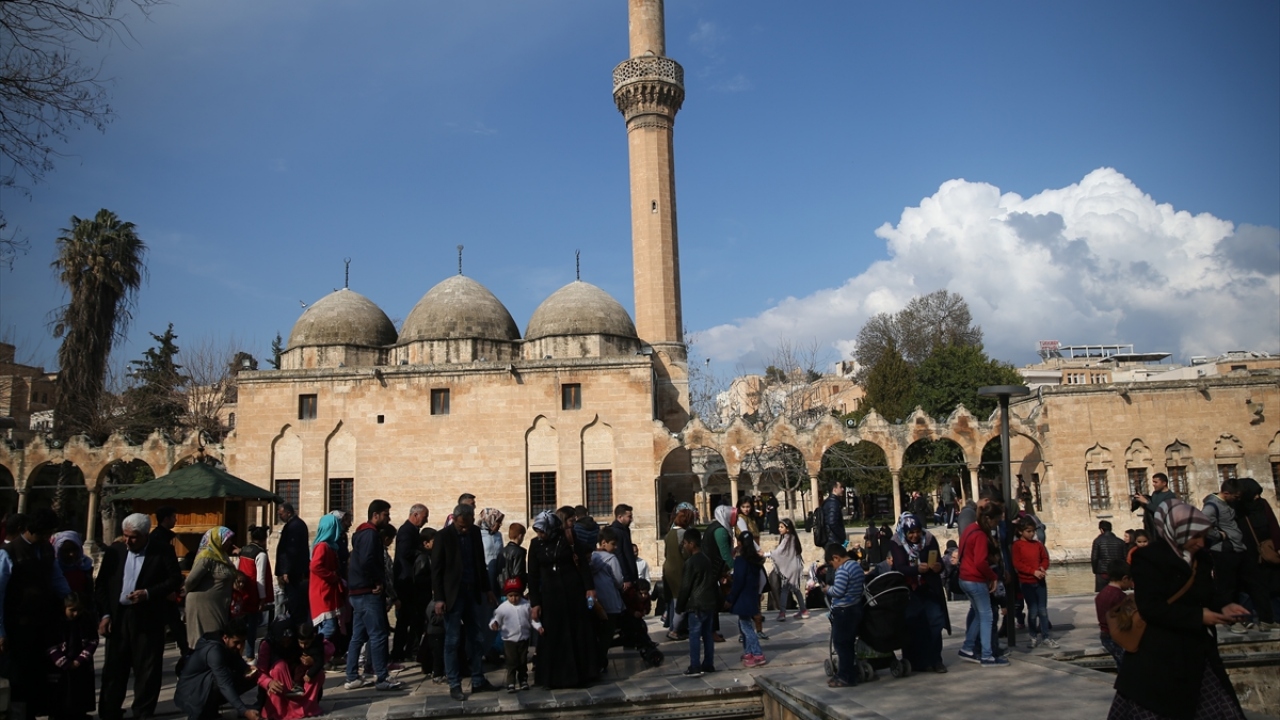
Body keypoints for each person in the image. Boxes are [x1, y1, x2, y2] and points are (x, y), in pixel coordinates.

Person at [1109, 498, 1248, 719]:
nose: (1201, 542)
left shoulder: (1201, 558)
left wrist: (1225, 606)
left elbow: (1207, 593)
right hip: (1159, 657)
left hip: (1196, 653)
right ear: (1179, 531)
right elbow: (1151, 608)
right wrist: (1198, 616)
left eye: (1204, 535)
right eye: (1196, 536)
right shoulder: (1149, 557)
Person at [96, 513, 184, 720]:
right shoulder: (115, 552)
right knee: (114, 669)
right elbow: (101, 585)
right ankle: (110, 711)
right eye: (125, 536)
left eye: (133, 537)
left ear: (145, 535)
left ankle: (143, 712)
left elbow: (174, 579)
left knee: (147, 669)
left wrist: (148, 593)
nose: (128, 541)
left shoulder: (162, 551)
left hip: (147, 618)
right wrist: (105, 614)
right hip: (119, 618)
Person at [0, 508, 69, 717]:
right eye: (44, 533)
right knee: (18, 676)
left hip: (43, 624)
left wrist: (68, 599)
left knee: (39, 676)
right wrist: (0, 631)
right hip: (18, 626)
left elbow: (57, 579)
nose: (47, 537)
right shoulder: (9, 553)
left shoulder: (46, 550)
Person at [527, 508, 598, 689]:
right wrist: (535, 603)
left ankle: (580, 675)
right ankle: (552, 678)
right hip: (550, 598)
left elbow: (582, 564)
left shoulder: (568, 538)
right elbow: (533, 576)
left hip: (573, 594)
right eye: (538, 531)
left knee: (576, 633)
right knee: (554, 636)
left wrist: (589, 588)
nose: (540, 534)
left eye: (543, 530)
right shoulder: (535, 545)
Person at [431, 503, 496, 700]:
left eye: (467, 525)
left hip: (471, 591)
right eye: (461, 526)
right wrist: (439, 598)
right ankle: (454, 683)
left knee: (476, 636)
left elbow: (480, 563)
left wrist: (487, 589)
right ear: (455, 521)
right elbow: (437, 570)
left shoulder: (475, 533)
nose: (465, 529)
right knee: (452, 639)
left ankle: (478, 678)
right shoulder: (443, 536)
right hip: (453, 594)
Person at [345, 499, 403, 691]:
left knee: (358, 636)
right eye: (386, 514)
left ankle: (352, 676)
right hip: (367, 592)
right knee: (378, 635)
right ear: (376, 515)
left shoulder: (361, 534)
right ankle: (382, 678)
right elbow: (369, 561)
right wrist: (377, 582)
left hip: (357, 592)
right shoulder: (370, 534)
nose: (389, 518)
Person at [1203, 478, 1275, 633]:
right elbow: (1204, 524)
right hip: (1224, 551)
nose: (1237, 500)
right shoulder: (1212, 506)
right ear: (1227, 493)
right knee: (1227, 587)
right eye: (1235, 497)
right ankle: (1232, 621)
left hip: (1238, 549)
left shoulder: (1228, 504)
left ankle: (1265, 619)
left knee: (1253, 583)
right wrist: (1220, 536)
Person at [888, 513, 948, 672]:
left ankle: (936, 659)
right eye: (911, 532)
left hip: (928, 586)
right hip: (908, 589)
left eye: (917, 531)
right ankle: (916, 661)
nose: (915, 536)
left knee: (935, 620)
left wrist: (937, 567)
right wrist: (916, 569)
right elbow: (900, 566)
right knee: (913, 622)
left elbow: (939, 560)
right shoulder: (897, 541)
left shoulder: (928, 539)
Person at [174, 619, 260, 720]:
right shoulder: (214, 651)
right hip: (190, 696)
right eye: (236, 642)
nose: (240, 646)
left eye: (242, 642)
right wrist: (244, 711)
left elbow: (237, 662)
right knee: (220, 679)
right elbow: (224, 684)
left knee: (255, 675)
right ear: (225, 638)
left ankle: (211, 709)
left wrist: (248, 669)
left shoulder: (227, 645)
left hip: (201, 690)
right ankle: (205, 711)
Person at [957, 505, 1009, 667]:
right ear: (988, 519)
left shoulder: (970, 528)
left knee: (979, 614)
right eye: (996, 521)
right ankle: (987, 655)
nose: (997, 524)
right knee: (987, 615)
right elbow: (980, 561)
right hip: (975, 579)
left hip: (964, 577)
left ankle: (968, 647)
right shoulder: (980, 535)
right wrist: (993, 576)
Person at [256, 620, 332, 720]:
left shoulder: (299, 638)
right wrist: (268, 682)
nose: (286, 644)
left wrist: (313, 660)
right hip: (279, 687)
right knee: (279, 667)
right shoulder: (267, 644)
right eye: (283, 641)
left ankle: (307, 706)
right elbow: (260, 672)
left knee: (318, 673)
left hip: (299, 683)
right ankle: (282, 710)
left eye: (289, 641)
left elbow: (328, 646)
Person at [185, 527, 242, 648]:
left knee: (218, 639)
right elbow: (190, 580)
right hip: (203, 606)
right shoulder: (206, 557)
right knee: (210, 639)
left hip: (219, 606)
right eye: (227, 540)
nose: (230, 543)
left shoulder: (223, 557)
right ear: (217, 539)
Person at [47, 591, 99, 720]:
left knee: (80, 696)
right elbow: (49, 643)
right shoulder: (55, 622)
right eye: (72, 610)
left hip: (80, 665)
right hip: (60, 667)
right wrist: (63, 661)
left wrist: (79, 660)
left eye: (79, 610)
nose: (76, 614)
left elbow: (93, 640)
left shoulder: (86, 620)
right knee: (60, 698)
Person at [150, 506, 192, 658]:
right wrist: (168, 589)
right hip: (162, 591)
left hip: (167, 588)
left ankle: (185, 652)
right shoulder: (158, 540)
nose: (176, 520)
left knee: (175, 623)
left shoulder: (164, 537)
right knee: (172, 624)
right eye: (174, 517)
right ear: (166, 518)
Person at [675, 527, 717, 677]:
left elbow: (685, 586)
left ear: (692, 544)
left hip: (696, 604)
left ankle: (695, 665)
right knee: (707, 635)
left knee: (694, 635)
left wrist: (679, 606)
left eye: (685, 543)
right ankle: (709, 663)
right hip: (709, 603)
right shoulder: (706, 559)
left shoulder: (690, 562)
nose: (684, 546)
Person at [489, 578, 542, 692]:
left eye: (516, 595)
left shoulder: (526, 605)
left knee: (522, 661)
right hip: (509, 639)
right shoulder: (503, 608)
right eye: (511, 596)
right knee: (511, 662)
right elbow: (495, 619)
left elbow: (532, 619)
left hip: (523, 638)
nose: (513, 598)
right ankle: (511, 682)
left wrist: (538, 627)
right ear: (507, 596)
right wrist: (494, 624)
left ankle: (523, 680)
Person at [1012, 517, 1058, 649]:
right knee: (1033, 610)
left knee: (1043, 610)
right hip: (1027, 582)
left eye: (1033, 531)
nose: (1032, 534)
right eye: (1028, 531)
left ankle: (1046, 637)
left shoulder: (1038, 545)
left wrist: (1043, 567)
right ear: (1021, 532)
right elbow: (1018, 564)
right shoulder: (1017, 546)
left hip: (1040, 582)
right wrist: (1033, 572)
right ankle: (1033, 636)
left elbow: (1045, 558)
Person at [391, 503, 428, 662]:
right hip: (406, 580)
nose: (425, 521)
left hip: (409, 580)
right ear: (415, 515)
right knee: (406, 618)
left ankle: (406, 650)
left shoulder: (411, 530)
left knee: (410, 617)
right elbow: (405, 552)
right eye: (424, 517)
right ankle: (399, 651)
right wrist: (421, 552)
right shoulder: (407, 531)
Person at [824, 543, 863, 688]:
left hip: (844, 611)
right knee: (849, 643)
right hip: (855, 607)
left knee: (841, 644)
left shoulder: (843, 570)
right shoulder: (855, 565)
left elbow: (838, 591)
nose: (833, 567)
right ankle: (844, 673)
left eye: (831, 564)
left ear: (836, 558)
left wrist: (828, 589)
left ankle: (846, 676)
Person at [726, 531, 766, 668]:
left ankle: (757, 653)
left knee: (746, 627)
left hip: (743, 597)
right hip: (752, 595)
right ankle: (748, 651)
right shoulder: (755, 560)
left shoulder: (741, 561)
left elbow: (738, 581)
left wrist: (731, 597)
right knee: (743, 625)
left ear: (740, 544)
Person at [590, 526, 626, 673]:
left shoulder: (591, 557)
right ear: (603, 543)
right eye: (613, 544)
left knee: (596, 635)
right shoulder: (611, 559)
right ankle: (600, 661)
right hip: (610, 602)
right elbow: (618, 580)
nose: (615, 547)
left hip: (595, 602)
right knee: (606, 636)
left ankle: (596, 662)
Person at [233, 526, 272, 661]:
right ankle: (249, 655)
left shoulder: (244, 550)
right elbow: (260, 578)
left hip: (242, 591)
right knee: (252, 627)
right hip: (254, 594)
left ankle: (237, 653)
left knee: (240, 625)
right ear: (264, 539)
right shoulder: (260, 554)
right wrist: (262, 598)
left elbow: (237, 569)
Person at [308, 513, 345, 642]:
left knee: (326, 626)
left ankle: (321, 656)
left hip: (327, 592)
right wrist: (331, 576)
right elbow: (315, 566)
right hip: (322, 592)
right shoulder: (322, 546)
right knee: (329, 627)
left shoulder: (329, 546)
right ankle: (313, 649)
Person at [663, 503, 695, 641]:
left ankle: (670, 621)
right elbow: (686, 553)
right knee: (681, 602)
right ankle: (674, 630)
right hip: (679, 570)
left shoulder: (669, 533)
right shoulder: (683, 534)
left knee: (674, 599)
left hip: (668, 568)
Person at [411, 527, 439, 680]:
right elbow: (420, 579)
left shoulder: (429, 556)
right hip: (424, 600)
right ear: (426, 543)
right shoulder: (423, 558)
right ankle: (426, 661)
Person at [275, 504, 310, 624]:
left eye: (281, 513)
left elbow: (291, 550)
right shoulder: (293, 525)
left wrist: (286, 571)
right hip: (295, 572)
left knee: (295, 603)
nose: (279, 516)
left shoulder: (294, 526)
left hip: (294, 573)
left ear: (288, 513)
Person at [767, 518, 808, 621]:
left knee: (785, 590)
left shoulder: (787, 539)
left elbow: (778, 552)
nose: (779, 529)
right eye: (779, 527)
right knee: (796, 590)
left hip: (790, 569)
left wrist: (766, 554)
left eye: (781, 527)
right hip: (795, 567)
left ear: (788, 529)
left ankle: (782, 613)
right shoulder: (793, 538)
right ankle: (803, 610)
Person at [1095, 559, 1131, 668]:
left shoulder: (1101, 594)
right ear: (1125, 578)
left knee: (1120, 663)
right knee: (1126, 665)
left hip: (1105, 635)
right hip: (1117, 636)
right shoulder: (1120, 597)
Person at [1091, 520, 1128, 592]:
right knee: (1117, 592)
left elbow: (1094, 558)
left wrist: (1095, 571)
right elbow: (1125, 558)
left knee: (1101, 593)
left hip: (1102, 572)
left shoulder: (1097, 541)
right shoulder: (1120, 541)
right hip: (1117, 572)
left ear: (1101, 530)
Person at [610, 504, 639, 588]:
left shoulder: (625, 530)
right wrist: (626, 578)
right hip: (625, 577)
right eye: (629, 516)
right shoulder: (617, 531)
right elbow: (620, 555)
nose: (631, 519)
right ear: (620, 517)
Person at [497, 523, 527, 590]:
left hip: (502, 588)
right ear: (520, 536)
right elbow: (518, 572)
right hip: (515, 589)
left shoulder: (501, 551)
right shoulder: (519, 552)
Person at [822, 482, 847, 547]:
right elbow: (832, 522)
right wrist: (841, 535)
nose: (842, 489)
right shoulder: (833, 503)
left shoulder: (829, 501)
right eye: (840, 487)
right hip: (833, 540)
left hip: (830, 539)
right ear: (834, 489)